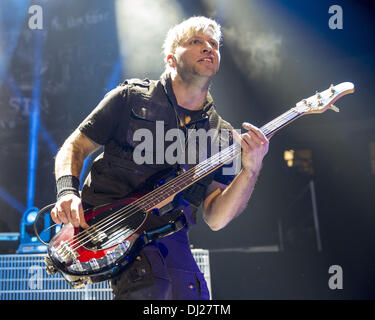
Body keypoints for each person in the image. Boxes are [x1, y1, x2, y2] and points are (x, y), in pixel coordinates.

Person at [50, 16, 269, 300]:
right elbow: (75, 146)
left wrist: (250, 171)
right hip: (108, 224)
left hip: (169, 237)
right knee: (153, 287)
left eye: (214, 44)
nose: (208, 48)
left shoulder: (222, 136)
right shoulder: (129, 98)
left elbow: (216, 217)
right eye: (195, 42)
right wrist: (67, 191)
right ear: (171, 59)